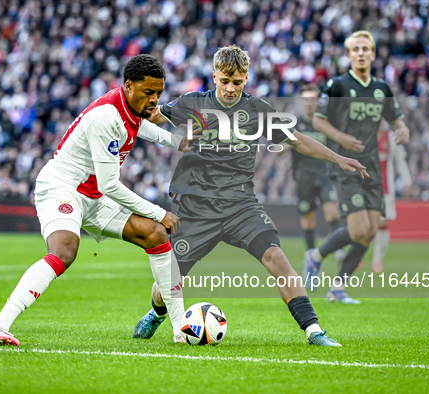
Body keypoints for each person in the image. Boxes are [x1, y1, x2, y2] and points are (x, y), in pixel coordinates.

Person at [132, 45, 369, 347]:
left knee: (277, 258)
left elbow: (298, 141)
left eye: (238, 82)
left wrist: (338, 158)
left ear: (246, 79)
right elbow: (150, 121)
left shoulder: (257, 110)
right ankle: (157, 312)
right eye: (226, 81)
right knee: (168, 279)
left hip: (240, 206)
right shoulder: (191, 102)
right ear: (214, 76)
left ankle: (314, 331)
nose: (231, 88)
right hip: (194, 205)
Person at [0, 54, 196, 346]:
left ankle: (181, 330)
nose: (154, 100)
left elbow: (140, 129)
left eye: (158, 93)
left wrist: (178, 142)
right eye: (148, 93)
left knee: (154, 234)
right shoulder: (106, 117)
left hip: (93, 195)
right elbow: (111, 185)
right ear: (129, 86)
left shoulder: (128, 108)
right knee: (65, 250)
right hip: (62, 186)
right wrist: (158, 212)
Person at [304, 31, 410, 304]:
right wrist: (340, 138)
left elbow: (395, 118)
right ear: (348, 55)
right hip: (346, 165)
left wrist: (402, 129)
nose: (361, 53)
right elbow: (318, 121)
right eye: (356, 49)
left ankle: (337, 287)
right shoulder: (337, 85)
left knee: (371, 231)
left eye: (366, 49)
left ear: (373, 54)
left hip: (372, 167)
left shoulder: (382, 89)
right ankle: (316, 255)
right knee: (359, 227)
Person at [291, 85, 345, 264]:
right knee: (308, 220)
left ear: (317, 102)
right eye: (306, 100)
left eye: (312, 99)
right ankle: (312, 257)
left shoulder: (324, 123)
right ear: (302, 102)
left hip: (324, 175)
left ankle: (337, 250)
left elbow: (334, 146)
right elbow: (279, 145)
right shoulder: (295, 124)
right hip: (304, 176)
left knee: (332, 212)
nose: (309, 103)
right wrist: (284, 146)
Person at [369, 121, 412, 272]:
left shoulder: (391, 138)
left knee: (383, 223)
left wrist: (407, 181)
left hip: (386, 188)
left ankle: (377, 261)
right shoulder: (365, 135)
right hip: (365, 186)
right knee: (365, 224)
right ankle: (356, 257)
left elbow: (400, 161)